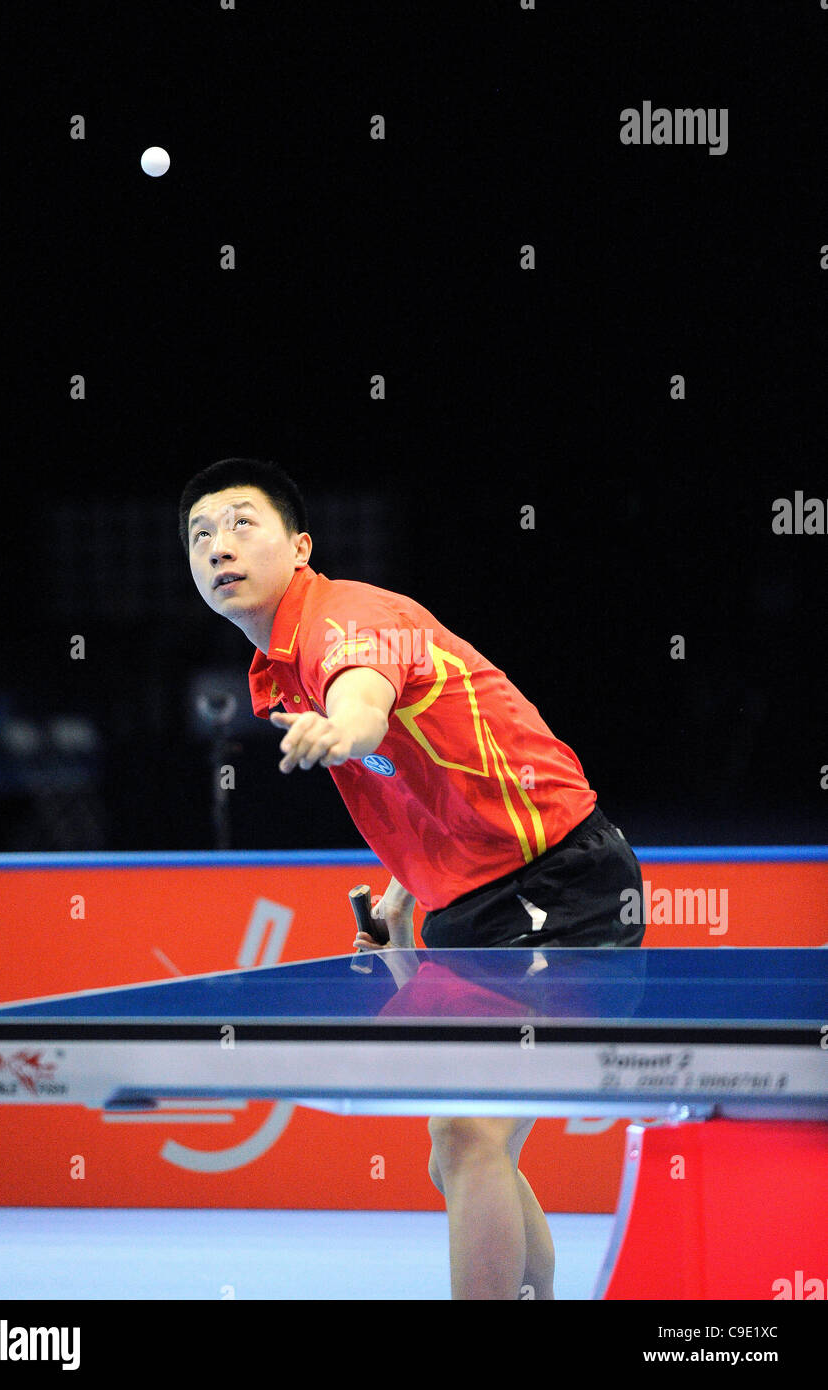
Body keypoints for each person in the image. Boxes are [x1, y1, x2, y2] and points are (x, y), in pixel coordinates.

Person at [179, 456, 646, 1300]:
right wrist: (413, 878)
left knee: (467, 1132)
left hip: (558, 885)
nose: (219, 545)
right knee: (460, 1151)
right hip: (475, 906)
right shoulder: (275, 665)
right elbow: (417, 764)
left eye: (243, 523)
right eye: (201, 535)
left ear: (300, 546)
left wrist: (344, 728)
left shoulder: (342, 619)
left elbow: (365, 700)